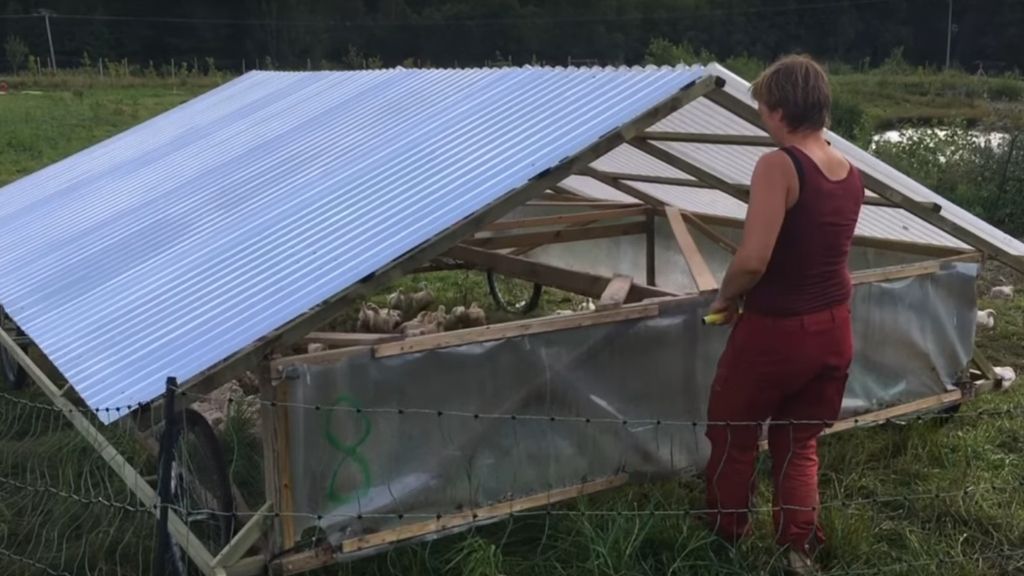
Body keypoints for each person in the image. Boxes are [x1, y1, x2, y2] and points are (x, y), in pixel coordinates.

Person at [702, 54, 865, 574]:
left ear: (777, 110)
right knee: (799, 442)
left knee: (734, 431)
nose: (760, 117)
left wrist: (725, 297)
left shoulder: (779, 165)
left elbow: (753, 259)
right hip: (835, 327)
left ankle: (725, 536)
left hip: (777, 331)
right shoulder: (849, 172)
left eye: (761, 108)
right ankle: (798, 547)